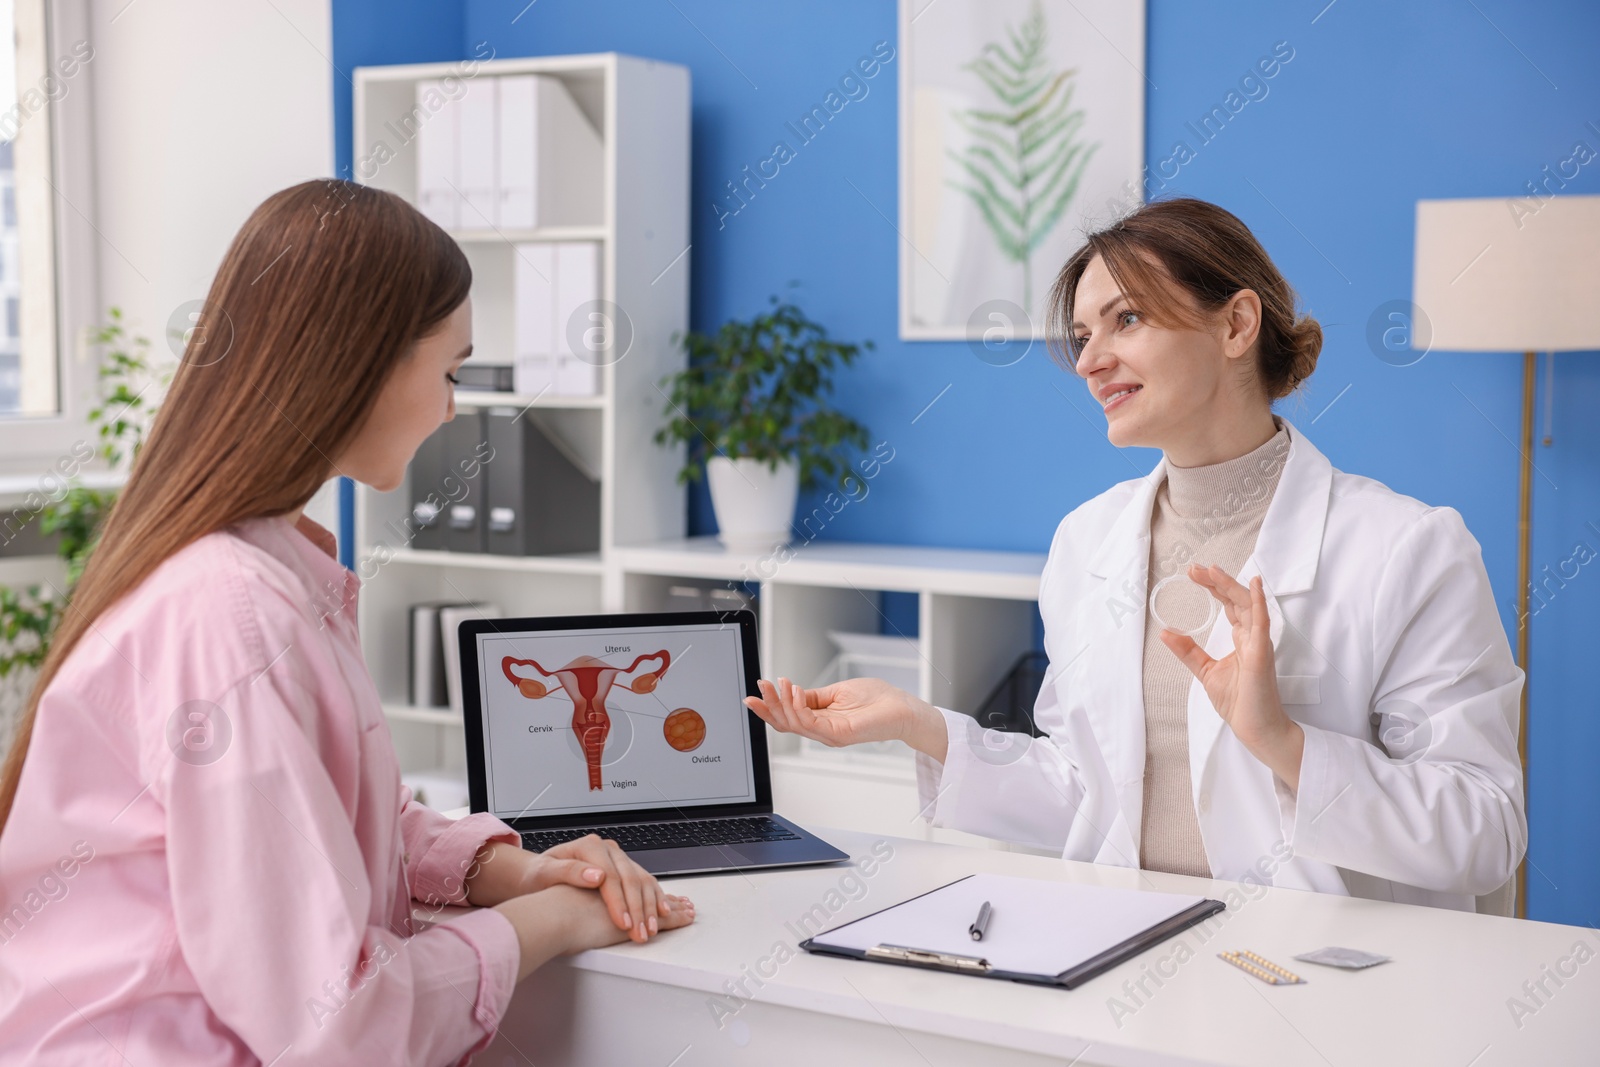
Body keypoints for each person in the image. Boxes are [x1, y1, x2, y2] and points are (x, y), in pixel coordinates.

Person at [0, 179, 693, 1065]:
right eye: (448, 371)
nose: (452, 409)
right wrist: (547, 920)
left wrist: (504, 869)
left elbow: (316, 818)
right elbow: (339, 1023)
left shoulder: (266, 573)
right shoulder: (229, 615)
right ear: (359, 361)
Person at [747, 197, 1526, 914]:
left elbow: (1485, 832)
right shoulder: (1087, 540)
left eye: (1126, 320)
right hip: (1123, 948)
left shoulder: (1408, 548)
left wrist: (1284, 743)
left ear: (1235, 325)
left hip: (1314, 977)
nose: (1089, 361)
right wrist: (921, 725)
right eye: (1084, 336)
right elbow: (1088, 792)